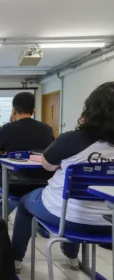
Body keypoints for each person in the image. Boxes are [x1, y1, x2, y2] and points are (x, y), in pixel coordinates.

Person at [11, 82, 114, 273]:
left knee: (25, 204)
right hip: (109, 224)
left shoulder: (72, 139)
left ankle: (15, 259)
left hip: (68, 217)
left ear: (91, 110)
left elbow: (47, 165)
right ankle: (71, 257)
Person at [0, 92, 54, 215]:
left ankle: (0, 212)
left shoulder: (7, 128)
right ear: (33, 110)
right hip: (43, 183)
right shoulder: (47, 129)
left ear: (14, 110)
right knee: (25, 197)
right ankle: (35, 219)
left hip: (14, 182)